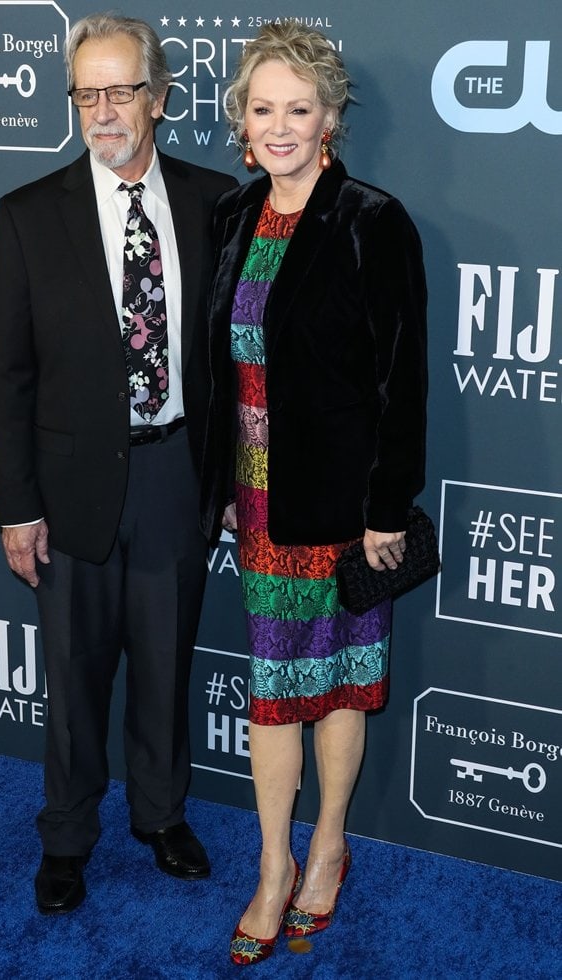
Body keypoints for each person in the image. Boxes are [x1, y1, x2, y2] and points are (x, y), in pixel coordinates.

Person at [0, 13, 236, 915]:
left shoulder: (218, 202)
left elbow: (239, 356)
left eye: (120, 90)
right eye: (85, 93)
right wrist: (17, 505)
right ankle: (67, 835)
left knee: (167, 665)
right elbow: (9, 375)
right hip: (68, 485)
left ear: (159, 98)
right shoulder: (26, 215)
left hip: (177, 474)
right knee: (73, 672)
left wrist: (236, 482)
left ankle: (161, 816)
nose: (102, 110)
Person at [200, 22, 428, 966]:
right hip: (254, 507)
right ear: (241, 122)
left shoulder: (374, 220)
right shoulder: (233, 215)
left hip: (339, 513)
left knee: (334, 690)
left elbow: (400, 378)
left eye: (300, 108)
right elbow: (223, 374)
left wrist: (384, 508)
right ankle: (269, 865)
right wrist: (221, 482)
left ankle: (327, 849)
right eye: (263, 109)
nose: (280, 126)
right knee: (271, 694)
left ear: (330, 118)